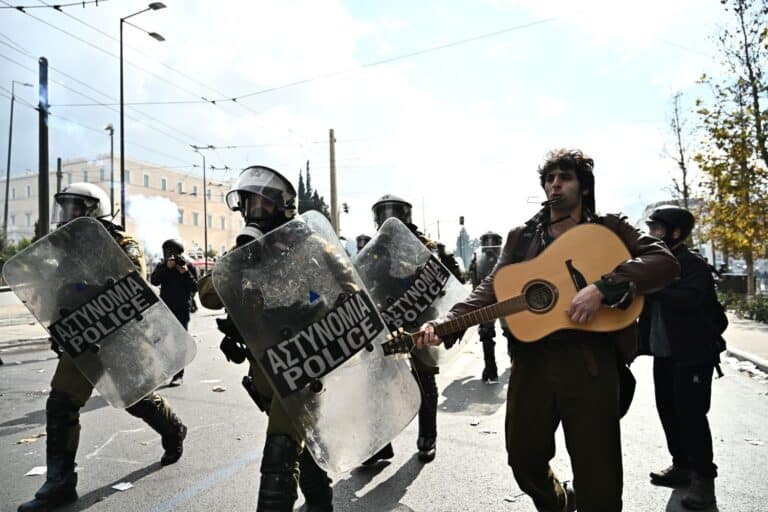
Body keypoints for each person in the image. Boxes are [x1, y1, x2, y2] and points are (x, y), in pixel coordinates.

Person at [419, 149, 679, 512]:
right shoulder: (522, 236)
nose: (555, 184)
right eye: (549, 178)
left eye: (565, 177)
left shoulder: (609, 226)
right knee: (523, 460)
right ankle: (558, 503)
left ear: (583, 187)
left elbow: (663, 262)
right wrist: (446, 323)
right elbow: (494, 286)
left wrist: (604, 287)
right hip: (531, 363)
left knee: (599, 477)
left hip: (590, 363)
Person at [19, 183, 187, 512]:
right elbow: (54, 292)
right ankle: (60, 482)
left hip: (118, 339)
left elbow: (133, 287)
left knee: (135, 399)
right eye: (65, 208)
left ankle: (173, 428)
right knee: (61, 403)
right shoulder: (63, 250)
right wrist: (58, 321)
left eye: (76, 208)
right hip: (82, 339)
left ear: (95, 210)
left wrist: (85, 286)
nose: (68, 215)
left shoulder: (123, 244)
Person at [198, 166, 334, 512]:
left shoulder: (310, 245)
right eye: (248, 203)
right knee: (296, 442)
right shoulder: (247, 252)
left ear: (283, 206)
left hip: (306, 364)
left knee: (280, 449)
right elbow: (208, 296)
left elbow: (348, 291)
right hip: (265, 368)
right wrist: (242, 260)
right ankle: (321, 501)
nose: (254, 212)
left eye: (263, 204)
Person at [641, 205, 724, 510]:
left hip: (693, 355)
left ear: (676, 233)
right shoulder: (654, 263)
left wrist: (653, 287)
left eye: (658, 229)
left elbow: (688, 300)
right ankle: (682, 466)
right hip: (664, 354)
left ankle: (704, 481)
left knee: (691, 415)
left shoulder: (693, 265)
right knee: (669, 411)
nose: (652, 235)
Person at [362, 194, 442, 464]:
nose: (387, 217)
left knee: (425, 381)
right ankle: (380, 444)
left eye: (393, 212)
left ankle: (427, 438)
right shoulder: (374, 249)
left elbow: (446, 278)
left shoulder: (425, 245)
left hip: (420, 321)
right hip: (387, 321)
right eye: (382, 212)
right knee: (378, 381)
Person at [151, 239, 198, 386]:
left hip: (182, 309)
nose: (170, 256)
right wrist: (167, 267)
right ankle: (165, 369)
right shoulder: (162, 266)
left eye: (173, 252)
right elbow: (154, 281)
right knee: (160, 342)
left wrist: (184, 272)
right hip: (164, 309)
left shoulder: (188, 266)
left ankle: (178, 375)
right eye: (167, 252)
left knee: (179, 343)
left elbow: (194, 287)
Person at [474, 231, 505, 382]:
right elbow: (476, 284)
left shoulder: (506, 259)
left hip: (504, 298)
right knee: (487, 334)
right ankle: (490, 369)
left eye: (492, 242)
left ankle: (492, 369)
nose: (489, 246)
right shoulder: (478, 261)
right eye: (487, 242)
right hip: (489, 300)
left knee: (513, 332)